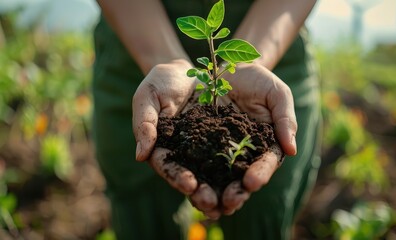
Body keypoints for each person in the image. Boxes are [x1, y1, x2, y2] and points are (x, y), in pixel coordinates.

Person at [93, 0, 321, 239]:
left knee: (263, 218)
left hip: (275, 45)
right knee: (143, 216)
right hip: (134, 40)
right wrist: (166, 59)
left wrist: (249, 62)